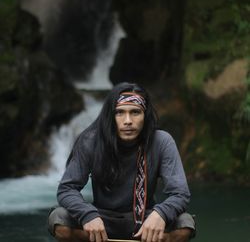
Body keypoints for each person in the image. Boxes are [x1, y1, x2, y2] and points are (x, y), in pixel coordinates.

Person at [48, 82, 195, 242]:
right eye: (119, 113)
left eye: (135, 112)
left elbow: (180, 193)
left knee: (185, 224)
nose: (128, 121)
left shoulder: (162, 141)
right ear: (110, 116)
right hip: (101, 219)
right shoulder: (91, 141)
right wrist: (87, 215)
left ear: (145, 115)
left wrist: (160, 214)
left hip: (145, 220)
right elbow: (67, 189)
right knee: (59, 219)